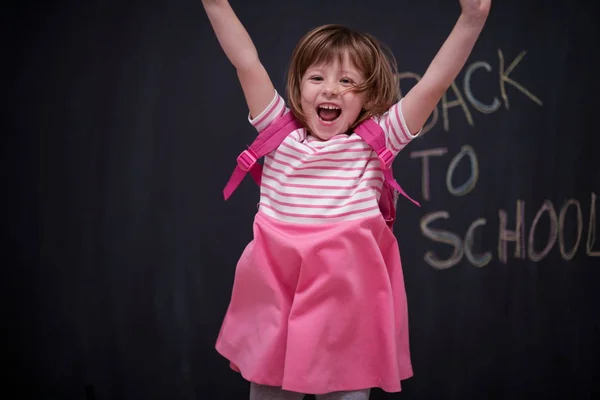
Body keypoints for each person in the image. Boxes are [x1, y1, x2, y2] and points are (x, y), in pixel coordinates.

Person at [201, 1, 491, 399]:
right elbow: (245, 60)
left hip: (346, 305)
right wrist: (215, 4)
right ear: (299, 88)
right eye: (316, 77)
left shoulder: (375, 143)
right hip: (276, 295)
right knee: (269, 390)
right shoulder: (279, 133)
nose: (330, 89)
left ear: (368, 97)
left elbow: (434, 84)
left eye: (348, 82)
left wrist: (471, 20)